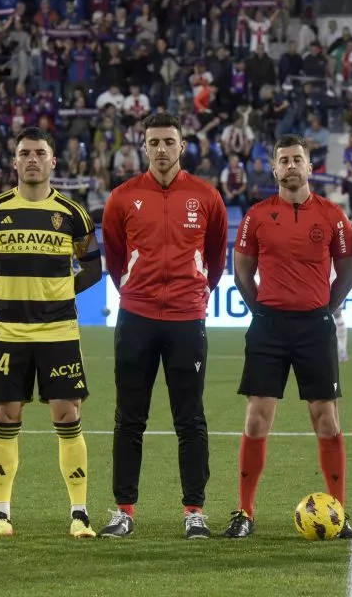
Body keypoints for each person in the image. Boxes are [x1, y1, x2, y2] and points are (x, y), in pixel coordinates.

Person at [224, 134, 352, 539]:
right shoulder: (257, 216)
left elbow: (347, 274)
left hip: (315, 327)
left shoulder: (333, 216)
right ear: (274, 169)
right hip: (268, 327)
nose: (290, 166)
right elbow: (242, 273)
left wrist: (323, 309)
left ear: (309, 166)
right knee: (256, 419)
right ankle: (245, 512)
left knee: (326, 420)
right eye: (283, 160)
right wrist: (262, 311)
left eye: (297, 159)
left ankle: (338, 512)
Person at [0, 127, 103, 539]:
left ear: (52, 161)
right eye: (25, 153)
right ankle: (0, 515)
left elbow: (93, 269)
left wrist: (57, 292)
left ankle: (80, 514)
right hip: (8, 332)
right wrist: (7, 291)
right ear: (14, 161)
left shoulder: (73, 214)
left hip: (59, 331)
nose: (32, 159)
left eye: (40, 153)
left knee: (67, 414)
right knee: (5, 415)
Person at [101, 113, 228, 539]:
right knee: (129, 418)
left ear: (182, 146)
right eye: (153, 142)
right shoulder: (122, 197)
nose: (161, 149)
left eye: (168, 142)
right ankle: (124, 510)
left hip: (186, 319)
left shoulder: (206, 196)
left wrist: (196, 292)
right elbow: (115, 256)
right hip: (136, 317)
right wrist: (133, 289)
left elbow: (216, 258)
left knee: (190, 418)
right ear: (144, 147)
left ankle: (194, 511)